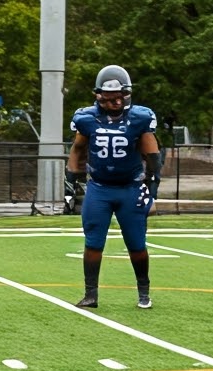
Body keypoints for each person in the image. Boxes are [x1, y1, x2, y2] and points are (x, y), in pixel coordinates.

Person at [67, 64, 159, 310]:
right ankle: (90, 295)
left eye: (120, 97)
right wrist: (71, 184)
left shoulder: (140, 117)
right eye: (111, 98)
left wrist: (152, 187)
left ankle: (143, 293)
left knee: (137, 244)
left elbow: (153, 155)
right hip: (99, 188)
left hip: (131, 187)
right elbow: (77, 150)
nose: (116, 102)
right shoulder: (86, 118)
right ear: (99, 95)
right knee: (93, 241)